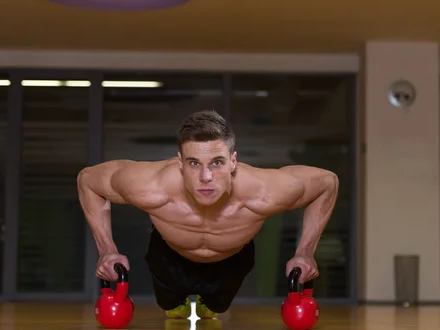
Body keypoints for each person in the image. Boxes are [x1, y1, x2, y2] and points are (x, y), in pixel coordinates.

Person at [77, 110, 339, 319]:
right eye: (194, 163)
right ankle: (176, 303)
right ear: (180, 163)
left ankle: (210, 304)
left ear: (233, 161)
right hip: (169, 256)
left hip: (232, 261)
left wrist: (305, 252)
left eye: (217, 162)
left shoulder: (265, 192)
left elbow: (327, 182)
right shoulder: (149, 187)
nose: (206, 177)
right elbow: (88, 180)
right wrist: (106, 249)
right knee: (171, 308)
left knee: (216, 309)